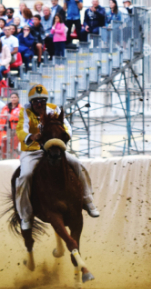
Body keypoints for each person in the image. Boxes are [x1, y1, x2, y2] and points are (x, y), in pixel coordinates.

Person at [15, 85, 100, 235]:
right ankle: (26, 215)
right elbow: (21, 130)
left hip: (52, 149)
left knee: (77, 163)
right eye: (36, 102)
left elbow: (67, 128)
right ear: (31, 103)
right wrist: (31, 137)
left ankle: (87, 200)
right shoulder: (25, 112)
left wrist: (63, 135)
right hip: (32, 152)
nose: (39, 105)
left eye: (42, 101)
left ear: (46, 101)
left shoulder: (54, 110)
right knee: (25, 175)